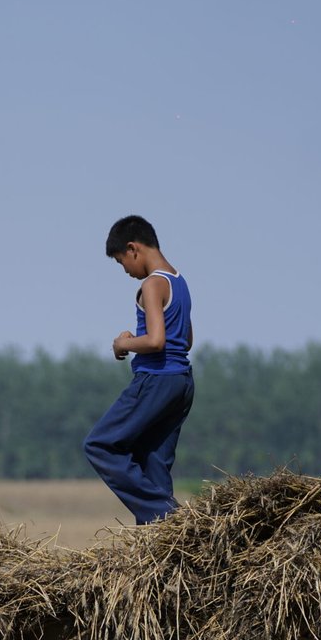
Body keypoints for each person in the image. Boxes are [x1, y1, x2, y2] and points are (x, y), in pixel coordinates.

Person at [84, 214, 196, 524]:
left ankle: (167, 516)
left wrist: (124, 344)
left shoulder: (152, 284)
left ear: (133, 249)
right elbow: (185, 339)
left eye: (122, 262)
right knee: (154, 461)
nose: (126, 271)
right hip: (181, 382)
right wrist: (143, 338)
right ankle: (166, 541)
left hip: (156, 380)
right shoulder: (179, 281)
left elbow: (158, 341)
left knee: (100, 444)